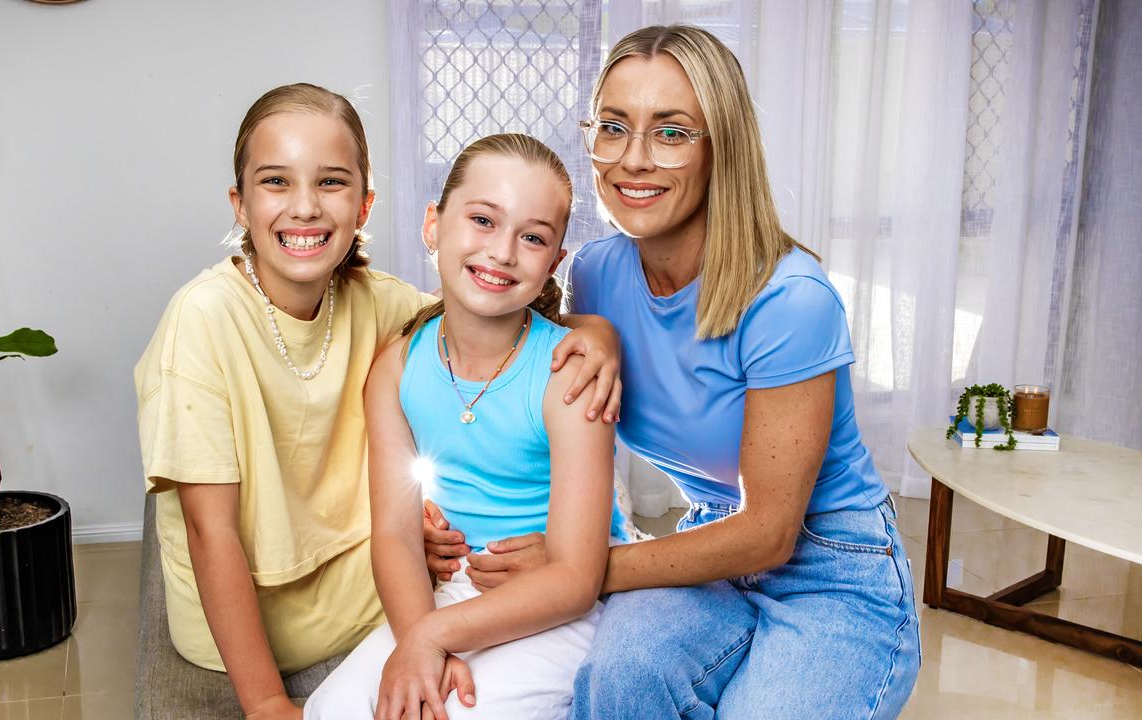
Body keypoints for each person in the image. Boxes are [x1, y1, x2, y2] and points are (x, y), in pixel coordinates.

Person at [423, 26, 921, 719]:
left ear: (723, 146)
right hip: (705, 539)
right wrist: (442, 519)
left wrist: (580, 570)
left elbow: (771, 532)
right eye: (614, 126)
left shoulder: (789, 300)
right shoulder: (595, 275)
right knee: (618, 683)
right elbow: (494, 360)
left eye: (671, 133)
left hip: (831, 563)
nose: (633, 159)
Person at [134, 86, 621, 720]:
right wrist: (266, 704)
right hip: (415, 598)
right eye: (277, 181)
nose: (305, 207)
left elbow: (492, 307)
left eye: (331, 183)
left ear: (365, 206)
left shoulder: (390, 309)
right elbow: (213, 528)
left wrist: (601, 335)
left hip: (461, 597)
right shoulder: (222, 322)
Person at [305, 134, 627, 720]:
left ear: (553, 263)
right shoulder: (397, 368)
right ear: (434, 224)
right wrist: (420, 637)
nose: (502, 252)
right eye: (483, 219)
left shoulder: (569, 374)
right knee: (332, 710)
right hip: (455, 592)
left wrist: (435, 638)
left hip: (561, 603)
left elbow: (577, 578)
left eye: (532, 237)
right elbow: (397, 537)